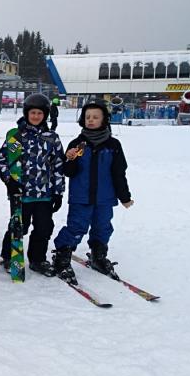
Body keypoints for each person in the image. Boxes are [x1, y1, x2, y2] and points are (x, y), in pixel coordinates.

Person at [51, 98, 133, 284]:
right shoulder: (78, 144)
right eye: (88, 117)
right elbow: (68, 172)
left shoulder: (113, 145)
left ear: (104, 119)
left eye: (95, 117)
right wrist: (69, 159)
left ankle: (98, 255)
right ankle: (62, 256)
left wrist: (124, 197)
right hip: (81, 197)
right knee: (76, 227)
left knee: (102, 227)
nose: (91, 120)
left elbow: (118, 173)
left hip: (105, 198)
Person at [0, 93, 65, 275]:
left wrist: (58, 192)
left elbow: (58, 165)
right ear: (26, 113)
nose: (36, 116)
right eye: (33, 113)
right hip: (22, 193)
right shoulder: (18, 137)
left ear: (45, 115)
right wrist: (9, 181)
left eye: (40, 113)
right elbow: (3, 160)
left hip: (44, 194)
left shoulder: (52, 138)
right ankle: (9, 255)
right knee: (19, 226)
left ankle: (37, 259)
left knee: (44, 228)